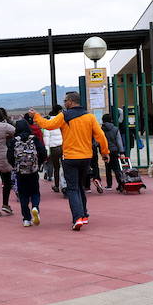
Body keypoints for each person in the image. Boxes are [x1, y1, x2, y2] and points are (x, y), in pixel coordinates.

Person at [31, 92, 108, 231]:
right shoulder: (90, 117)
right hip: (86, 157)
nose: (64, 103)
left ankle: (77, 217)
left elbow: (48, 125)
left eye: (65, 100)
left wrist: (36, 116)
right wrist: (105, 152)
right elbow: (100, 136)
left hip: (70, 158)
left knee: (72, 188)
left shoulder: (64, 116)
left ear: (71, 102)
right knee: (80, 187)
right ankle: (84, 214)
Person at [6, 119, 48, 227]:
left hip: (20, 172)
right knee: (35, 192)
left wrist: (15, 166)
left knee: (23, 194)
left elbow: (9, 156)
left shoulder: (14, 141)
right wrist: (39, 163)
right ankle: (35, 207)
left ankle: (26, 219)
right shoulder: (34, 139)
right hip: (33, 170)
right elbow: (43, 152)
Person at [101, 114, 125, 190]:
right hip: (114, 151)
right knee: (116, 168)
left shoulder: (101, 129)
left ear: (103, 120)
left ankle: (109, 185)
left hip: (105, 151)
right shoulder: (115, 129)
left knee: (107, 168)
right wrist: (121, 152)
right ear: (111, 120)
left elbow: (99, 141)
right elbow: (119, 141)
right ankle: (120, 183)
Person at [42, 105, 64, 192]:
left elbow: (46, 137)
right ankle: (65, 184)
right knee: (65, 167)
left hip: (54, 148)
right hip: (63, 146)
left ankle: (57, 185)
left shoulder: (49, 122)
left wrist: (47, 151)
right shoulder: (62, 121)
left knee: (56, 167)